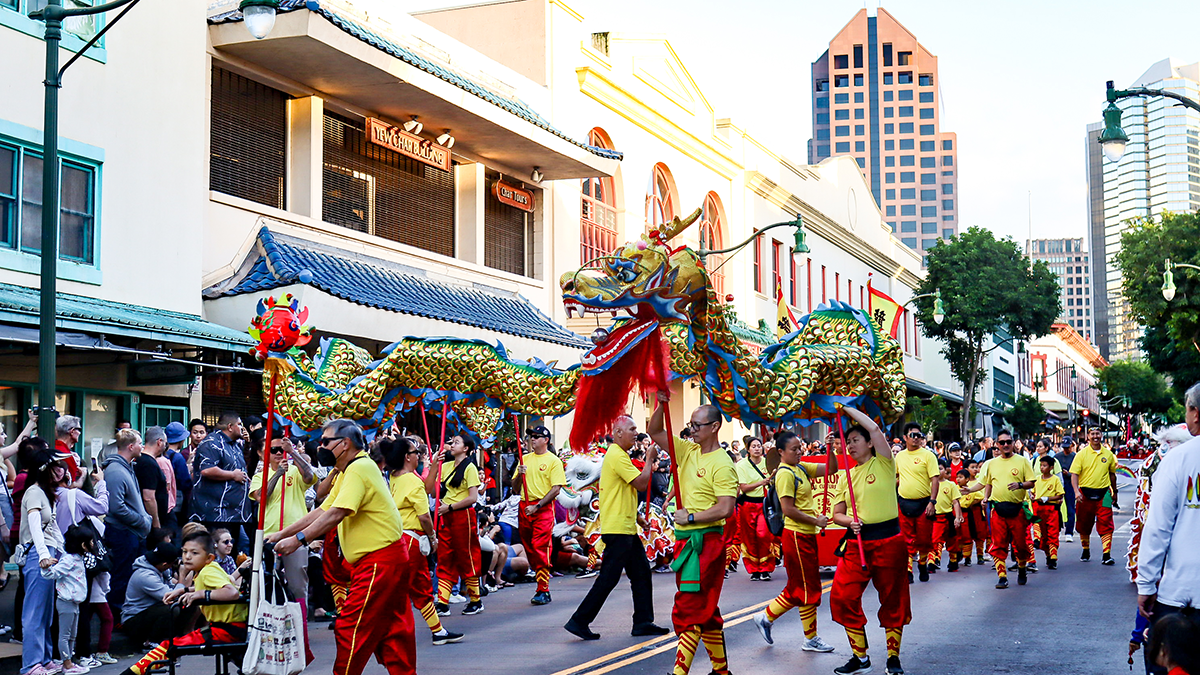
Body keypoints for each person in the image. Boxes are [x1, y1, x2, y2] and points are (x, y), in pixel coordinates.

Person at [270, 419, 414, 675]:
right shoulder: (352, 470)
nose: (320, 447)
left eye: (326, 441)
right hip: (381, 560)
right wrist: (282, 533)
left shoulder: (359, 468)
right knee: (392, 629)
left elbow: (337, 513)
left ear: (344, 444)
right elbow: (323, 509)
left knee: (350, 626)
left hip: (380, 561)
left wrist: (297, 540)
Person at [647, 393, 738, 675]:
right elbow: (655, 431)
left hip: (705, 543)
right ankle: (721, 671)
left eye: (698, 425)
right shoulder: (687, 450)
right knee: (704, 608)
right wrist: (662, 404)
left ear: (714, 427)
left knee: (689, 606)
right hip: (685, 540)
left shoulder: (722, 463)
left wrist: (692, 516)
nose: (692, 429)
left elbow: (726, 508)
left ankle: (679, 672)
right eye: (690, 424)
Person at [565, 415, 668, 641]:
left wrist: (638, 517)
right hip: (618, 528)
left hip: (626, 526)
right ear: (618, 432)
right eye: (632, 429)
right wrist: (649, 460)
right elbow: (641, 483)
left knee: (641, 574)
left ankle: (642, 621)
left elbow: (623, 493)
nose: (635, 433)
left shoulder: (619, 455)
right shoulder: (617, 455)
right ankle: (580, 620)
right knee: (608, 578)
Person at [827, 406, 909, 675]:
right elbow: (836, 514)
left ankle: (893, 657)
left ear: (870, 443)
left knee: (893, 599)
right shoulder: (845, 476)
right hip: (856, 544)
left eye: (854, 440)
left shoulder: (884, 462)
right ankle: (860, 657)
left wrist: (845, 407)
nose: (849, 445)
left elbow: (874, 428)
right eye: (847, 441)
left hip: (889, 541)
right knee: (841, 597)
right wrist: (848, 521)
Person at [753, 429, 837, 653]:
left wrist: (830, 448)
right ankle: (808, 637)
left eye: (800, 448)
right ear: (780, 452)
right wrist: (815, 520)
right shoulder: (785, 474)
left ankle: (767, 617)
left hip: (805, 535)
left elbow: (832, 469)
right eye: (794, 449)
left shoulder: (799, 467)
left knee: (801, 588)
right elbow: (788, 510)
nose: (799, 452)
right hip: (797, 535)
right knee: (806, 588)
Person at [1136, 382, 1200, 675]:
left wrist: (1146, 584)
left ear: (1196, 414)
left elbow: (1158, 527)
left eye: (1187, 409)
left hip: (1184, 598)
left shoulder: (1179, 458)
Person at [380, 436, 464, 646]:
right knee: (406, 590)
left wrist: (434, 464)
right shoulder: (410, 480)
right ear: (408, 457)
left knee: (419, 589)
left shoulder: (396, 476)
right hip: (411, 542)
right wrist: (432, 536)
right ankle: (383, 632)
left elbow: (426, 488)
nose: (419, 456)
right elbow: (424, 516)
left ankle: (438, 631)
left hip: (400, 538)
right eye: (416, 453)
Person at [249, 430, 316, 619]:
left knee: (298, 584)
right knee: (268, 582)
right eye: (274, 449)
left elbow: (310, 478)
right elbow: (261, 497)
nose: (279, 453)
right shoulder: (259, 476)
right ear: (263, 453)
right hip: (269, 535)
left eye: (282, 449)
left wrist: (293, 452)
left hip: (296, 536)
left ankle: (301, 628)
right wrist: (278, 473)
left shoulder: (296, 470)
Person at [54, 455, 113, 669]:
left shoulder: (48, 494)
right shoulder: (74, 495)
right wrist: (102, 484)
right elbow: (101, 507)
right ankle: (82, 654)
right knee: (82, 606)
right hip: (78, 556)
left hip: (56, 556)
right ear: (65, 475)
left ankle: (59, 656)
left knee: (59, 610)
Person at [963, 428, 1035, 589]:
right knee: (998, 543)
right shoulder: (991, 464)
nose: (1005, 445)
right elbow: (984, 483)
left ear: (1013, 443)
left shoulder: (1022, 461)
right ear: (996, 445)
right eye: (1001, 443)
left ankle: (1022, 568)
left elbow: (1031, 482)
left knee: (1020, 543)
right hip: (998, 510)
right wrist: (969, 489)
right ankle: (1002, 576)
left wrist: (1020, 485)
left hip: (1017, 509)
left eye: (1008, 442)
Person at [18, 440, 66, 675]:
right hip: (38, 555)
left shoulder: (45, 493)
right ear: (44, 468)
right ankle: (31, 664)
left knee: (45, 612)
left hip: (47, 554)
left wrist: (63, 553)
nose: (61, 470)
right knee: (35, 612)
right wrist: (45, 556)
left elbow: (52, 527)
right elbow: (36, 527)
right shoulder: (35, 492)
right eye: (56, 466)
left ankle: (44, 658)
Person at [425, 434, 484, 616]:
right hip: (446, 516)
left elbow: (473, 498)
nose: (452, 444)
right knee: (445, 556)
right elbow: (430, 490)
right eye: (451, 441)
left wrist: (450, 507)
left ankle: (476, 599)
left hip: (462, 515)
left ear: (466, 448)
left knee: (466, 555)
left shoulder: (471, 468)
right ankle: (443, 601)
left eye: (456, 442)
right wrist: (435, 464)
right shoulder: (446, 466)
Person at [102, 429, 152, 619]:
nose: (142, 447)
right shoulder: (116, 471)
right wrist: (142, 520)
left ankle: (125, 614)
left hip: (132, 532)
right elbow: (116, 507)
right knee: (121, 576)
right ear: (131, 447)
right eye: (140, 444)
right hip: (123, 533)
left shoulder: (126, 467)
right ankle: (116, 617)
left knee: (129, 575)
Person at [516, 425, 566, 605]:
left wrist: (537, 506)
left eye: (537, 437)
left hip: (542, 508)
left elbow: (556, 489)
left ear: (546, 440)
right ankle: (540, 582)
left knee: (540, 546)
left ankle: (543, 589)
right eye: (531, 437)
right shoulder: (524, 459)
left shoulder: (554, 461)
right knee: (529, 547)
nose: (532, 440)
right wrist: (518, 475)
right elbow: (515, 488)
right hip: (523, 506)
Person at [191, 412, 253, 551]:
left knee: (232, 554)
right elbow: (207, 470)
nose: (242, 428)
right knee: (217, 553)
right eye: (239, 424)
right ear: (230, 427)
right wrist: (233, 475)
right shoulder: (211, 443)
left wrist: (242, 476)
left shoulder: (235, 444)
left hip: (234, 514)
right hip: (216, 513)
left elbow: (237, 468)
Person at [121, 543, 199, 644]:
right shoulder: (145, 576)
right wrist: (182, 575)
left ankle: (183, 636)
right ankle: (151, 642)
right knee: (171, 609)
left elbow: (174, 587)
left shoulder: (159, 570)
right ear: (165, 564)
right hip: (133, 621)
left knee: (190, 602)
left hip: (151, 612)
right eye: (173, 563)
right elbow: (170, 596)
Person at [41, 524, 93, 675]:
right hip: (66, 602)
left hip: (74, 602)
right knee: (65, 635)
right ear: (83, 545)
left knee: (72, 635)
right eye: (90, 542)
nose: (92, 544)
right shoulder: (69, 560)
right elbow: (51, 574)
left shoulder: (75, 558)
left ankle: (69, 662)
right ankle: (67, 664)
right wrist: (45, 566)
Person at [895, 422, 940, 583]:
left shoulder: (928, 455)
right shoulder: (899, 456)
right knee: (906, 539)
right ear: (905, 438)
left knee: (924, 539)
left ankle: (922, 563)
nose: (917, 439)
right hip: (904, 503)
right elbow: (895, 477)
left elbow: (935, 480)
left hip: (924, 504)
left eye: (919, 435)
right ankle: (908, 570)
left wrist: (932, 502)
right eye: (913, 435)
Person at [1071, 427, 1119, 565]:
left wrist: (1115, 492)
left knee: (1106, 523)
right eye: (1092, 434)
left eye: (1098, 433)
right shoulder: (1081, 454)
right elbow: (1074, 474)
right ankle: (1085, 549)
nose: (1095, 436)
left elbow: (1112, 475)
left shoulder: (1108, 454)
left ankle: (1106, 554)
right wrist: (1076, 492)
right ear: (1088, 437)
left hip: (1104, 493)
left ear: (1102, 435)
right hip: (1084, 494)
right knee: (1083, 523)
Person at [735, 437, 777, 581]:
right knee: (749, 538)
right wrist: (762, 482)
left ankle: (765, 568)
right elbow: (744, 488)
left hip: (765, 504)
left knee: (763, 535)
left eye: (759, 446)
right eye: (753, 446)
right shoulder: (741, 465)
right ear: (748, 449)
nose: (757, 449)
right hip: (747, 505)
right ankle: (754, 569)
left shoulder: (769, 463)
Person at [926, 461, 963, 573]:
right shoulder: (929, 484)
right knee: (934, 540)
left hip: (948, 516)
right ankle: (932, 562)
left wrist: (957, 517)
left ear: (945, 470)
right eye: (936, 468)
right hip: (934, 517)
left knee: (952, 540)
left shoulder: (951, 485)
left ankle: (953, 562)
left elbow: (955, 502)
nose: (938, 471)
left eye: (941, 468)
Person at [1032, 454, 1065, 570]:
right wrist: (1033, 497)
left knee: (1053, 533)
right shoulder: (1037, 480)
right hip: (1039, 510)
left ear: (1051, 467)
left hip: (1051, 509)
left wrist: (1048, 498)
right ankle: (1048, 555)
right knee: (1044, 535)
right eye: (1041, 465)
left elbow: (1060, 495)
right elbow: (1033, 492)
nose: (1042, 468)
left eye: (1045, 466)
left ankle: (1053, 558)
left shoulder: (1055, 479)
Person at [138, 427, 171, 533]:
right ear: (159, 442)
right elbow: (148, 497)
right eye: (165, 443)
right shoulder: (149, 464)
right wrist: (156, 524)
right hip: (150, 523)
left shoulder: (141, 460)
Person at [162, 422, 193, 535]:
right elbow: (185, 483)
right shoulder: (177, 457)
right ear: (181, 440)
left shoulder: (160, 454)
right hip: (176, 502)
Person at [1057, 436, 1078, 542]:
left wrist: (1069, 474)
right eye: (1064, 447)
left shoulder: (1075, 457)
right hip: (1059, 484)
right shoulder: (1057, 457)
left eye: (1068, 447)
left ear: (1072, 446)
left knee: (1070, 508)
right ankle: (1057, 529)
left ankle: (1069, 531)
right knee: (1057, 508)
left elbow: (1078, 472)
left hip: (1070, 484)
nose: (1066, 450)